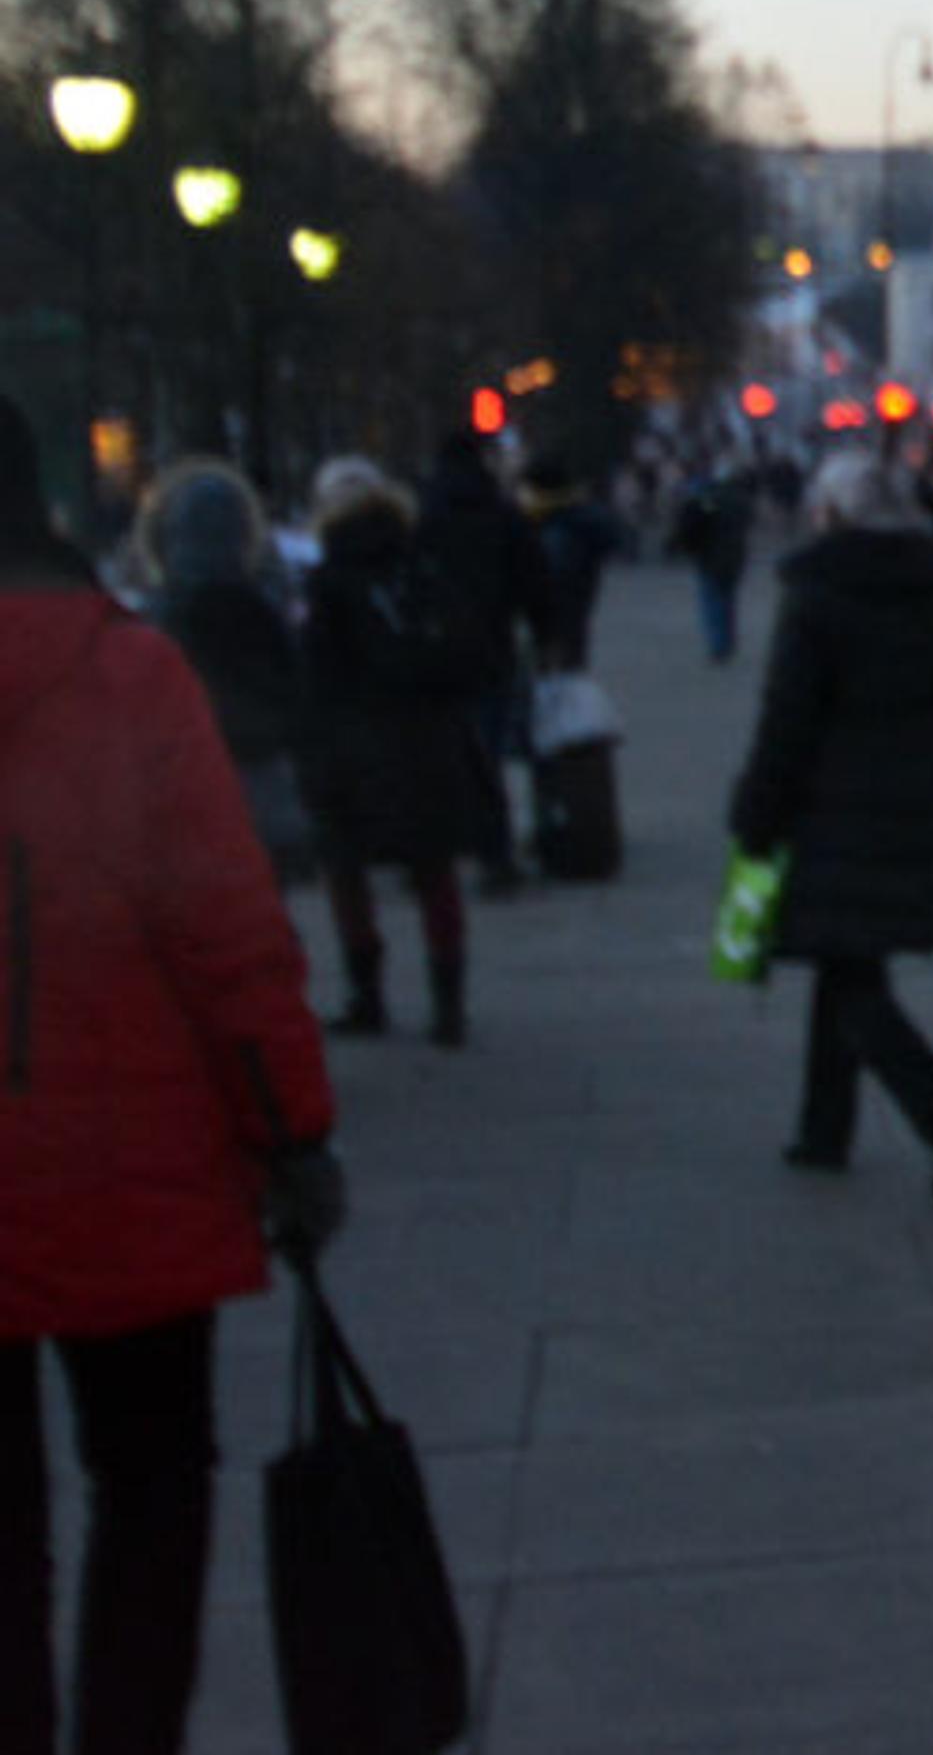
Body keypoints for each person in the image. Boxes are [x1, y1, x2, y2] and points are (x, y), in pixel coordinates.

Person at [1, 396, 344, 1755]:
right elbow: (226, 930)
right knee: (151, 1491)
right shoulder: (128, 677)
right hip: (123, 1164)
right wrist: (291, 1130)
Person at [729, 449, 933, 1196]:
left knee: (851, 975)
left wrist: (757, 812)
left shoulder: (817, 595)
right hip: (914, 802)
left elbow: (786, 722)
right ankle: (824, 1130)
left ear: (831, 513)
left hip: (832, 810)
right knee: (847, 962)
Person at [299, 457, 490, 1045]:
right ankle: (449, 1004)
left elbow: (318, 674)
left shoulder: (329, 579)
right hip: (430, 740)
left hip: (355, 745)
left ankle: (368, 995)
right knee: (435, 874)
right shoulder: (422, 566)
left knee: (346, 872)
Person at [132, 459, 313, 883]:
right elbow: (296, 692)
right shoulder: (266, 606)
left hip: (185, 787)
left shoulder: (159, 615)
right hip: (264, 779)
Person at [411, 432, 548, 891]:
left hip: (434, 652)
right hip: (492, 647)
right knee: (487, 753)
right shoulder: (501, 512)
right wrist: (547, 631)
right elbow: (533, 580)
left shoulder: (424, 516)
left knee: (438, 753)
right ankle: (494, 854)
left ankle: (437, 851)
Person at [518, 454, 631, 672]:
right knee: (569, 658)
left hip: (550, 609)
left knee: (549, 659)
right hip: (577, 605)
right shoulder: (583, 514)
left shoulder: (541, 522)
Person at [670, 459, 757, 664]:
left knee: (712, 600)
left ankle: (719, 645)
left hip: (710, 555)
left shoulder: (707, 499)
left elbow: (692, 523)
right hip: (734, 555)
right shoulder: (740, 499)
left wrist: (685, 545)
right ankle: (728, 641)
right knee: (727, 600)